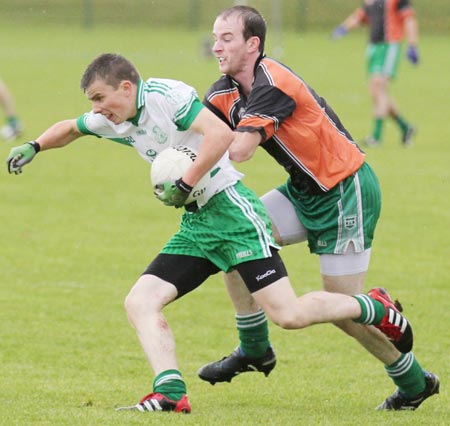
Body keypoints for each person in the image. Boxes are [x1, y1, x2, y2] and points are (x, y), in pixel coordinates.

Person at [6, 53, 415, 414]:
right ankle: (170, 393)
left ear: (126, 87)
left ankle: (371, 307)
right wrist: (36, 146)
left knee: (288, 315)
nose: (96, 109)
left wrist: (186, 181)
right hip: (198, 225)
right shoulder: (113, 119)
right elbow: (72, 128)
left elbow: (219, 135)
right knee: (141, 301)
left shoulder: (168, 96)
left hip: (234, 213)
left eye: (100, 98)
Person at [198, 5, 439, 411]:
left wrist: (193, 164)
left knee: (342, 310)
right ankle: (254, 348)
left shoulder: (272, 82)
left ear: (252, 44)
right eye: (215, 37)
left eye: (227, 38)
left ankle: (413, 381)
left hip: (345, 189)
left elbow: (239, 150)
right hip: (304, 190)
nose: (217, 46)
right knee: (235, 233)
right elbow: (197, 131)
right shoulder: (222, 91)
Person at [331, 0, 419, 147]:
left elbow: (409, 19)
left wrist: (412, 45)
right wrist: (343, 28)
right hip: (374, 48)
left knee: (379, 88)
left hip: (389, 46)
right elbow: (360, 17)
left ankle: (376, 137)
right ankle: (405, 127)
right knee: (377, 92)